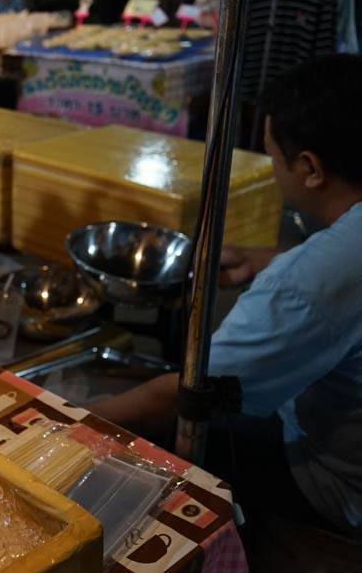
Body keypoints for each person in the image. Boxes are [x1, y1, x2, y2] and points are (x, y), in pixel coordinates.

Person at [89, 55, 362, 538]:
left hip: (337, 485)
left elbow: (190, 393)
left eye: (273, 157)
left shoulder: (306, 283)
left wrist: (64, 417)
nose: (273, 168)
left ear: (311, 169)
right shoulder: (325, 261)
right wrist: (267, 259)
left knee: (140, 447)